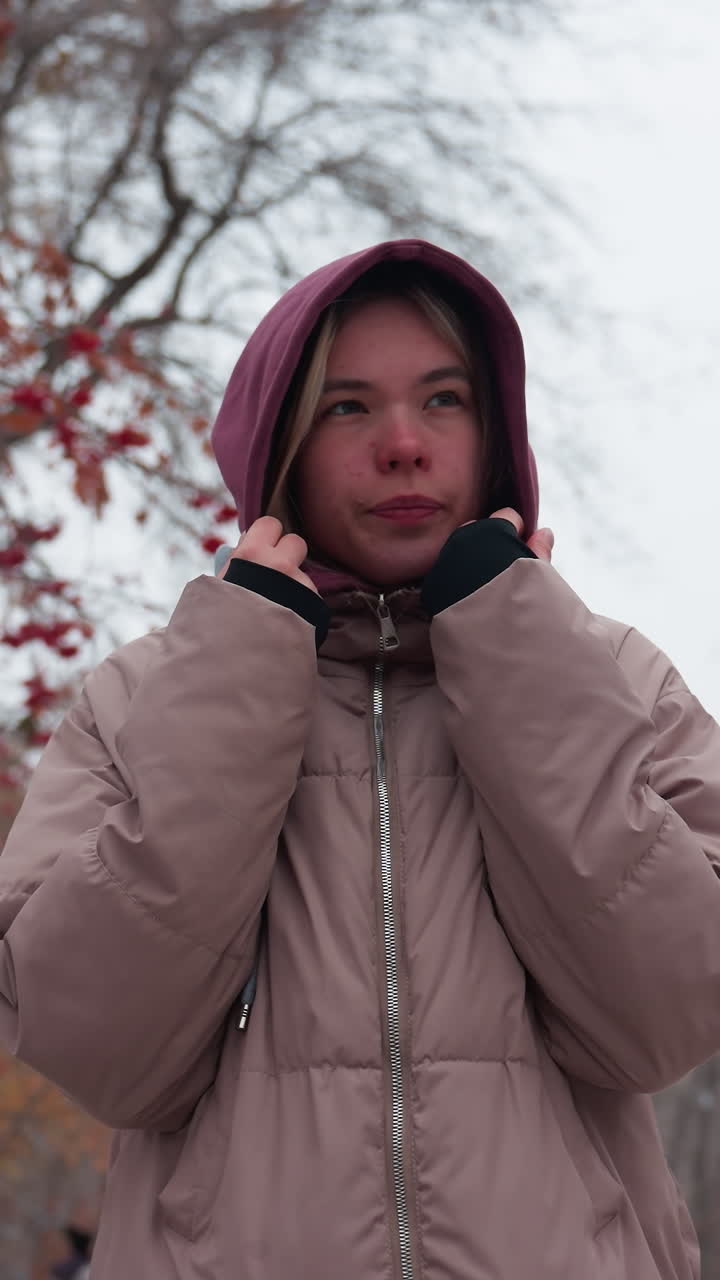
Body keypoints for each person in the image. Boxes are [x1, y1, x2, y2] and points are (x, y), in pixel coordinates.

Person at [1, 239, 719, 1280]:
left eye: (443, 399)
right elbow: (104, 1050)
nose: (403, 444)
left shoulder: (614, 678)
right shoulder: (147, 696)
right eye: (347, 407)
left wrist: (518, 652)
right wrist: (244, 672)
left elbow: (667, 1017)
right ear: (280, 445)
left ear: (493, 430)